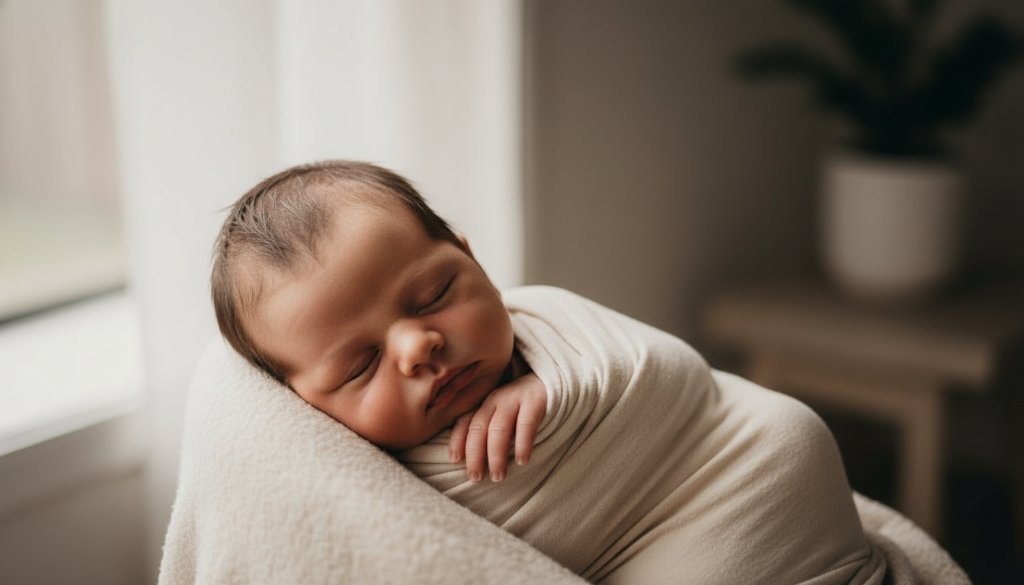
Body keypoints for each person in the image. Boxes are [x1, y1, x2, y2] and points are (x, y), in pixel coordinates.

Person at [211, 160, 887, 584]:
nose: (418, 346)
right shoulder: (360, 477)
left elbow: (662, 371)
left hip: (753, 477)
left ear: (472, 259)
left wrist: (553, 384)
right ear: (303, 405)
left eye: (435, 294)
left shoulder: (549, 322)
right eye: (361, 364)